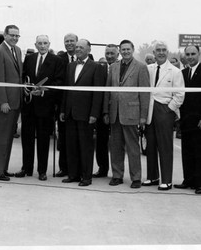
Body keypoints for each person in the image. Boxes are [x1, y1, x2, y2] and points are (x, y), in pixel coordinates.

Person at [103, 39, 150, 189]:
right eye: (123, 50)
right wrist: (106, 110)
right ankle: (117, 175)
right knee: (115, 147)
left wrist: (143, 115)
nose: (125, 52)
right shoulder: (114, 67)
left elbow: (145, 94)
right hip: (114, 113)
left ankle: (136, 178)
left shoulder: (141, 67)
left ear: (133, 49)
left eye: (128, 49)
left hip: (131, 112)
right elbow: (107, 90)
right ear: (119, 51)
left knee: (133, 148)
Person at [18, 35, 63, 181]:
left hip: (46, 107)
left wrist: (44, 91)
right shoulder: (29, 59)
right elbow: (24, 78)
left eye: (45, 43)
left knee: (43, 140)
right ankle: (26, 168)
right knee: (27, 139)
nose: (42, 46)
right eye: (40, 43)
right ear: (35, 45)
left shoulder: (57, 61)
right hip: (29, 106)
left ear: (49, 44)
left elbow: (59, 82)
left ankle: (42, 171)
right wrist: (25, 88)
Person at [60, 39, 104, 186]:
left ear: (89, 50)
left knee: (85, 146)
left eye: (81, 47)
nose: (77, 49)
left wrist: (94, 114)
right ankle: (73, 175)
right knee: (71, 145)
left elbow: (98, 94)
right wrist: (63, 110)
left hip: (86, 114)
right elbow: (66, 90)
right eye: (77, 47)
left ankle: (86, 177)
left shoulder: (96, 67)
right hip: (70, 112)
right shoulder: (70, 66)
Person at [142, 41, 185, 190]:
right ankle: (152, 177)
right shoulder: (148, 69)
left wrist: (169, 109)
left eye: (163, 50)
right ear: (153, 53)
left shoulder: (175, 71)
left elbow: (180, 94)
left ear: (167, 53)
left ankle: (166, 180)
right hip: (150, 109)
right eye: (158, 50)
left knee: (165, 146)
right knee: (151, 144)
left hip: (165, 110)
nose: (161, 52)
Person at [175, 45, 201, 194]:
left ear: (199, 54)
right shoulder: (183, 73)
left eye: (193, 54)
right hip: (186, 120)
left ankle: (200, 184)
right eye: (188, 54)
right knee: (187, 152)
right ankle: (188, 180)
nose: (190, 56)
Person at [0, 24, 23, 181]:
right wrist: (3, 101)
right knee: (1, 137)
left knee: (9, 137)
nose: (15, 38)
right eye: (12, 35)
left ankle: (4, 167)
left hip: (16, 102)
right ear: (5, 35)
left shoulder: (17, 51)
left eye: (17, 36)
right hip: (5, 103)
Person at [93, 44, 119, 178]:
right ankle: (102, 169)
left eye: (112, 54)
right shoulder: (100, 68)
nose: (109, 56)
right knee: (101, 141)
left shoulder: (121, 69)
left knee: (116, 143)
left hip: (117, 111)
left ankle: (117, 172)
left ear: (117, 55)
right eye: (107, 53)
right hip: (102, 111)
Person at [55, 33, 78, 177]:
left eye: (72, 41)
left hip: (80, 106)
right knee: (63, 138)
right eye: (66, 41)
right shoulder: (59, 59)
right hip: (63, 104)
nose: (69, 43)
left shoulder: (89, 58)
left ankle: (76, 168)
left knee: (77, 138)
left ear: (77, 42)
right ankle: (63, 168)